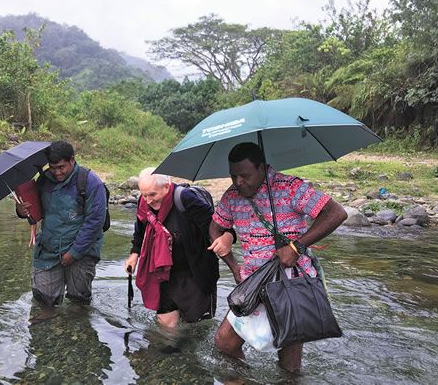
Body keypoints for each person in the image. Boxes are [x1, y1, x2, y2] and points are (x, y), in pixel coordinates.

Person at [208, 142, 347, 373]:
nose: (238, 182)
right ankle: (245, 378)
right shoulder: (232, 196)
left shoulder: (290, 187)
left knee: (288, 365)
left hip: (292, 284)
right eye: (233, 176)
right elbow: (214, 228)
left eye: (244, 175)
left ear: (261, 168)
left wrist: (296, 246)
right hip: (252, 284)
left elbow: (336, 213)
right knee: (224, 344)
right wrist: (233, 266)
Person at [124, 168, 235, 328]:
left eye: (153, 195)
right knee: (167, 328)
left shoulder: (186, 199)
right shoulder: (144, 204)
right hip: (164, 272)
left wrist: (228, 236)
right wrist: (134, 254)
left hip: (194, 274)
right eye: (144, 194)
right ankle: (170, 352)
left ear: (167, 187)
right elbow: (140, 231)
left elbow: (217, 226)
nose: (148, 200)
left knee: (197, 328)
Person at [16, 140, 107, 324]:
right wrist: (21, 211)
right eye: (52, 167)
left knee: (78, 300)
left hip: (81, 251)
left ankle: (77, 330)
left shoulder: (90, 182)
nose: (57, 172)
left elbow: (95, 222)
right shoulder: (44, 180)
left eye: (61, 167)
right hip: (48, 249)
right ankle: (51, 330)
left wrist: (74, 253)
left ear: (72, 160)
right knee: (44, 299)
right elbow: (35, 214)